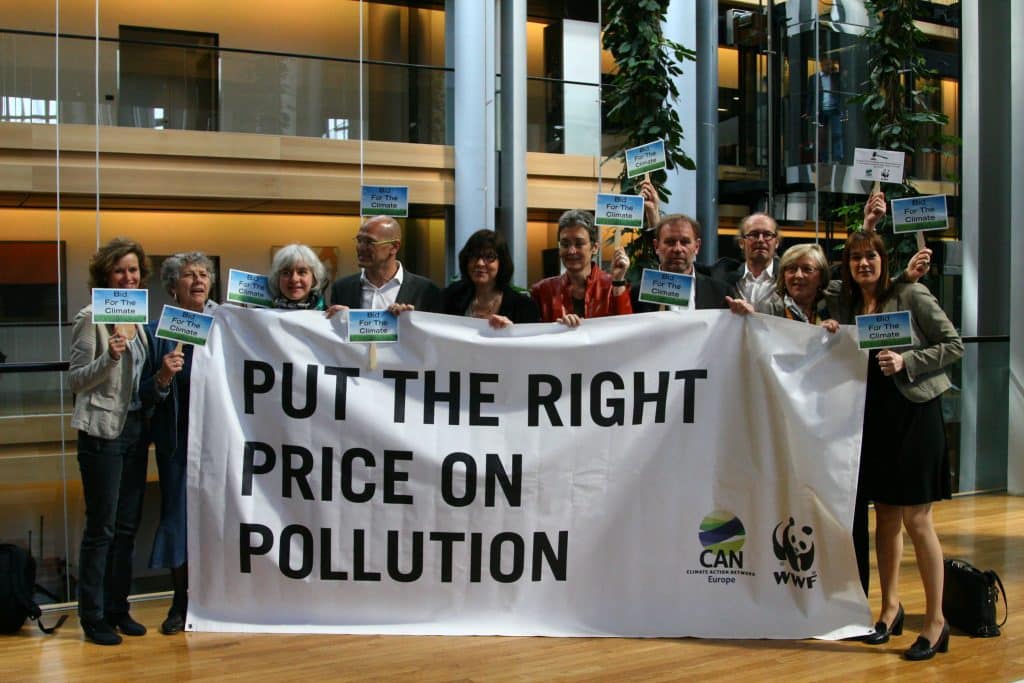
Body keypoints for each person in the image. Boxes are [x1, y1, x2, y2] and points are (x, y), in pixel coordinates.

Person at [837, 230, 962, 661]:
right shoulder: (852, 305)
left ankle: (935, 622)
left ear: (884, 259)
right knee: (885, 517)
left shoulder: (911, 294)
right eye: (855, 258)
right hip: (875, 419)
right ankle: (890, 610)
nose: (863, 263)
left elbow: (953, 344)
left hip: (915, 413)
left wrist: (907, 360)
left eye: (870, 255)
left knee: (917, 520)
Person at [68, 237, 153, 645]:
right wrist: (111, 358)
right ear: (106, 275)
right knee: (101, 529)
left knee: (125, 527)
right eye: (120, 270)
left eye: (134, 270)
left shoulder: (142, 320)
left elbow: (143, 382)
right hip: (102, 432)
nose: (128, 277)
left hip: (136, 431)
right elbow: (77, 379)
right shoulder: (91, 317)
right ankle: (93, 616)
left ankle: (119, 609)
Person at [140, 252, 216, 635]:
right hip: (178, 443)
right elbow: (144, 395)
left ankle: (219, 599)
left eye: (204, 274)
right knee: (178, 521)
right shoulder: (158, 332)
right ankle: (180, 602)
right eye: (189, 275)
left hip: (223, 445)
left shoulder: (230, 325)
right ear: (173, 287)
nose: (199, 280)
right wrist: (163, 379)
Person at [530, 209, 631, 327]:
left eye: (579, 244)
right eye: (565, 244)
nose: (571, 251)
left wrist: (618, 282)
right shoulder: (542, 291)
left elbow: (627, 331)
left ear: (595, 247)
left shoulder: (614, 286)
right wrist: (557, 329)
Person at [329, 215, 442, 315]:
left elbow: (434, 334)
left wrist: (410, 322)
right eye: (359, 240)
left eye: (369, 242)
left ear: (394, 247)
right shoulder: (342, 288)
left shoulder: (426, 290)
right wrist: (338, 320)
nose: (361, 248)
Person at [631, 214, 733, 312]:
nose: (678, 249)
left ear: (697, 246)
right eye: (670, 242)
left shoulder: (722, 292)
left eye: (685, 242)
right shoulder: (635, 293)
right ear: (656, 246)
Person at [442, 229, 539, 328]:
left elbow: (530, 341)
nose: (480, 263)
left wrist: (511, 331)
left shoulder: (523, 306)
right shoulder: (452, 296)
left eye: (489, 257)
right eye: (474, 256)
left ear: (502, 262)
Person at [711, 213, 781, 310]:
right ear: (741, 243)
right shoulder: (723, 272)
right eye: (754, 235)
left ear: (776, 242)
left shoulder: (787, 277)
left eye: (767, 235)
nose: (760, 240)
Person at [268, 244, 329, 310]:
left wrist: (340, 317)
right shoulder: (261, 314)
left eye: (302, 272)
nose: (294, 279)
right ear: (277, 278)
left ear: (314, 278)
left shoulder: (328, 316)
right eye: (286, 273)